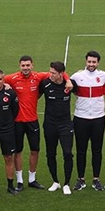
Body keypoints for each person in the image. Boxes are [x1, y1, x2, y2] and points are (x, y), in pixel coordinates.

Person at [0, 56, 69, 191]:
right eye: (23, 65)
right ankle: (19, 181)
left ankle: (32, 179)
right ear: (19, 66)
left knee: (35, 150)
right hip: (17, 122)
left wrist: (68, 79)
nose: (25, 68)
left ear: (32, 65)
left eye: (28, 65)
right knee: (18, 151)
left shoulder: (38, 76)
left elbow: (59, 71)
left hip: (33, 120)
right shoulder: (12, 78)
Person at [71, 51, 105, 191]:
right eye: (89, 62)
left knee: (97, 150)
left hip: (98, 118)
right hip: (80, 118)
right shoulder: (77, 76)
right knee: (81, 150)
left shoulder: (103, 76)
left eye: (94, 62)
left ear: (98, 63)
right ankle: (81, 179)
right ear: (85, 61)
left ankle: (96, 179)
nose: (91, 64)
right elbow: (65, 85)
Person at [38, 61, 76, 195]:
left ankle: (66, 183)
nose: (50, 75)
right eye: (50, 72)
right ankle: (55, 181)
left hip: (65, 125)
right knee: (50, 153)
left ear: (61, 74)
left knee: (67, 153)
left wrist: (68, 80)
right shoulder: (45, 84)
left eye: (53, 73)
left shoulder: (70, 84)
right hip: (50, 124)